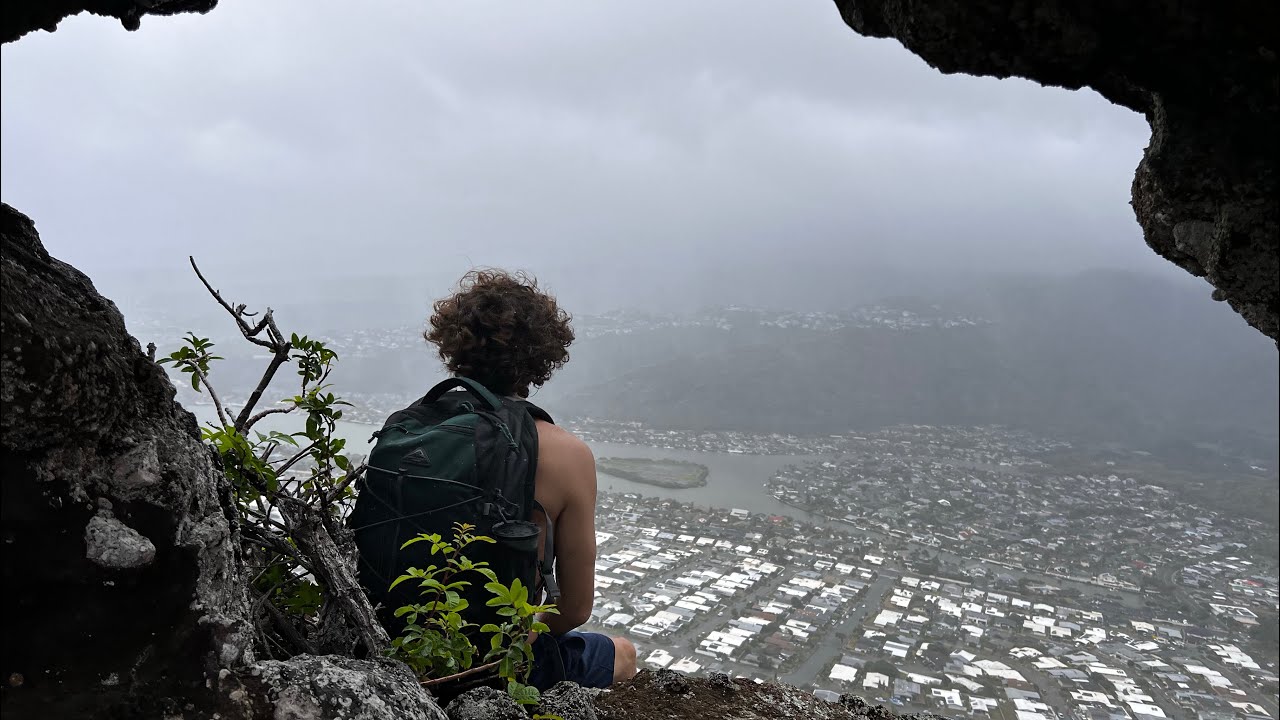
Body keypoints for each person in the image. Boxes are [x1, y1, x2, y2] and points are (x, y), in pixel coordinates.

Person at [423, 269, 638, 690]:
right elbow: (574, 609)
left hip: (399, 640)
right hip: (495, 661)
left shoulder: (413, 429)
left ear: (453, 347)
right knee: (623, 654)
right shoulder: (565, 453)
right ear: (542, 357)